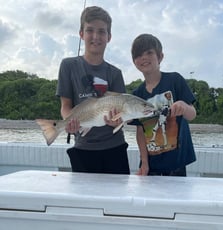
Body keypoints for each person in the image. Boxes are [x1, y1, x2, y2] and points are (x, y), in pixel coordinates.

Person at [56, 6, 130, 174]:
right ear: (81, 33)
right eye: (90, 30)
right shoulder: (68, 66)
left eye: (102, 32)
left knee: (117, 198)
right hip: (83, 147)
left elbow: (121, 112)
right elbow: (65, 105)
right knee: (85, 200)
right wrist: (69, 122)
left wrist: (118, 121)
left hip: (115, 147)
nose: (96, 36)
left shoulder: (115, 73)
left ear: (109, 37)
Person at [130, 33, 196, 176]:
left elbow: (192, 114)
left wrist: (184, 107)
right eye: (139, 55)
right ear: (134, 61)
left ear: (160, 57)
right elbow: (140, 132)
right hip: (151, 166)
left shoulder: (175, 80)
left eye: (149, 52)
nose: (144, 57)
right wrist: (144, 163)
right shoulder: (137, 94)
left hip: (176, 163)